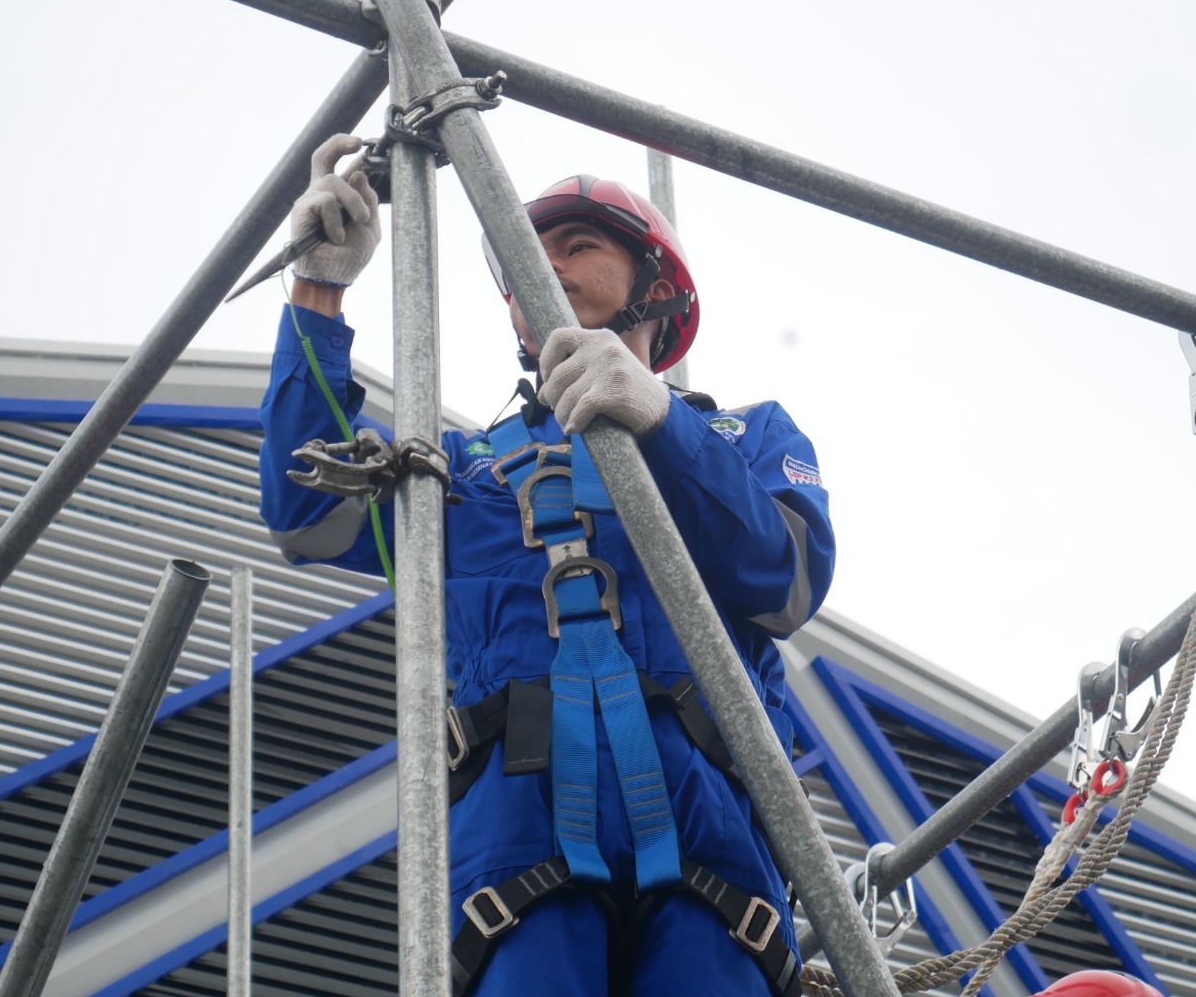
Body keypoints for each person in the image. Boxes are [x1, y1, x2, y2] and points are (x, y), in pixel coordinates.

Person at [259, 134, 834, 997]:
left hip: (715, 847)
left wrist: (661, 422)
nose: (547, 265)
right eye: (531, 252)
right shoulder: (460, 472)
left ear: (658, 285)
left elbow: (786, 578)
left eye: (579, 244)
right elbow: (308, 513)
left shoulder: (743, 437)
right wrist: (319, 288)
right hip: (520, 843)